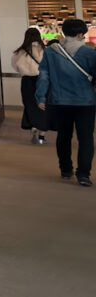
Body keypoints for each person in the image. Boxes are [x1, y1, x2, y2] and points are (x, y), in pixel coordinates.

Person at [37, 18, 96, 187]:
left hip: (60, 101)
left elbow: (44, 76)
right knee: (86, 138)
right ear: (80, 35)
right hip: (85, 102)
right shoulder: (90, 53)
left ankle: (66, 170)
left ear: (63, 33)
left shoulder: (50, 52)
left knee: (64, 135)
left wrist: (41, 97)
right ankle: (83, 174)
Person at [11, 27, 47, 144]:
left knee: (29, 105)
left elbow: (15, 66)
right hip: (42, 80)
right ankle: (42, 137)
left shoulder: (20, 52)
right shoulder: (44, 50)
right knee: (43, 105)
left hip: (26, 81)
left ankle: (33, 127)